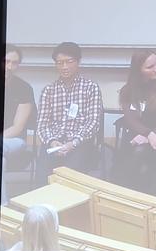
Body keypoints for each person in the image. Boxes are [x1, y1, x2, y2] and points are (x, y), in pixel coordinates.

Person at [112, 50, 156, 197]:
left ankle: (144, 194)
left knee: (140, 153)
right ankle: (128, 195)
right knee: (131, 155)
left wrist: (150, 136)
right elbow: (130, 119)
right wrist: (147, 134)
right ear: (138, 69)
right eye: (150, 67)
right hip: (137, 134)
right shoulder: (128, 90)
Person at [35, 42, 104, 182]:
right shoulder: (49, 90)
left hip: (79, 143)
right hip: (54, 143)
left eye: (69, 62)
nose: (64, 67)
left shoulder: (91, 87)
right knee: (43, 176)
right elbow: (42, 124)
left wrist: (73, 143)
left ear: (78, 62)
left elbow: (93, 122)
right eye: (60, 63)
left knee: (69, 178)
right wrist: (52, 141)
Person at [1, 46, 36, 205]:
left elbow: (18, 127)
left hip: (14, 140)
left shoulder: (24, 88)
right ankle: (3, 206)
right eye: (6, 61)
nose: (9, 67)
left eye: (14, 63)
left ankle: (3, 206)